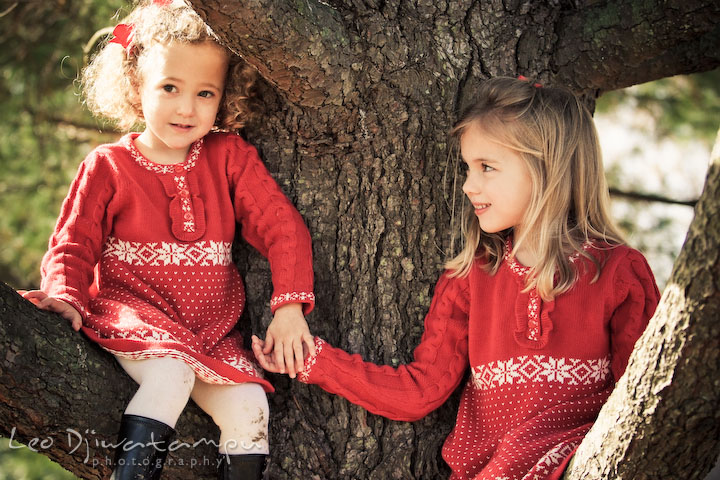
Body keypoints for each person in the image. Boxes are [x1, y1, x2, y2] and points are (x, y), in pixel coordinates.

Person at [253, 76, 660, 480]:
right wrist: (314, 361)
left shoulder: (619, 273)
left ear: (546, 168)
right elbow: (421, 389)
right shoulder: (471, 277)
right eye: (468, 167)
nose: (468, 185)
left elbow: (641, 400)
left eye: (487, 167)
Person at [20, 1, 315, 478]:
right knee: (170, 373)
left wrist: (288, 306)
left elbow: (283, 227)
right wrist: (66, 297)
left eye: (205, 92)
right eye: (170, 87)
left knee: (249, 404)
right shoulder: (109, 165)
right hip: (137, 315)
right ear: (137, 85)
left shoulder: (228, 157)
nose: (186, 107)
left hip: (210, 332)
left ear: (224, 96)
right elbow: (73, 244)